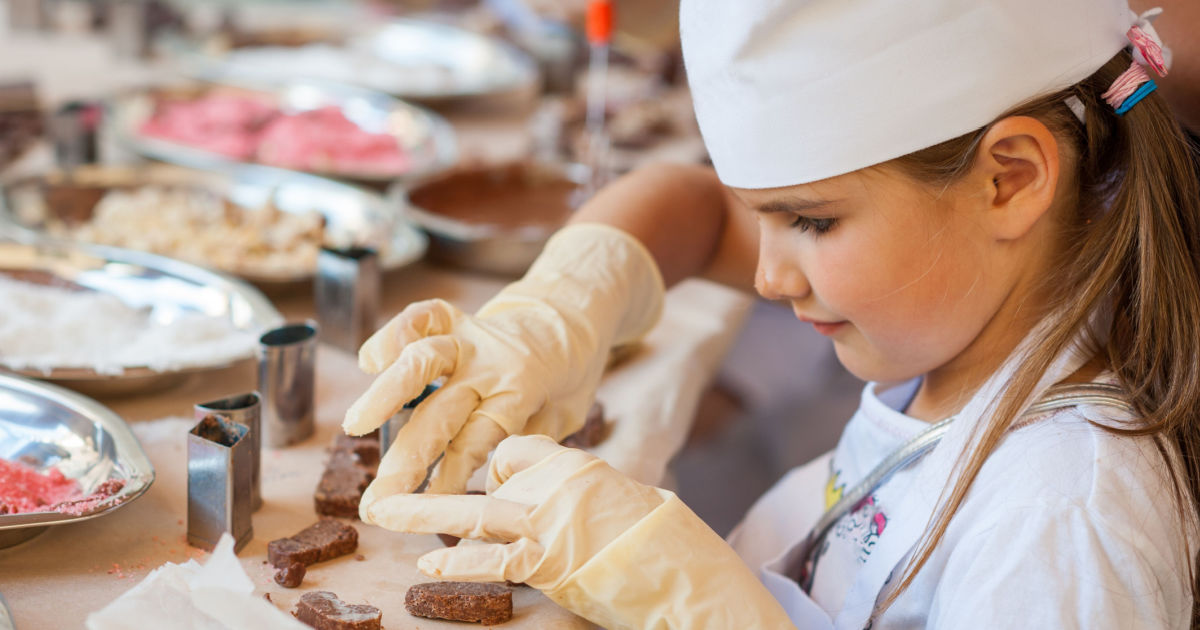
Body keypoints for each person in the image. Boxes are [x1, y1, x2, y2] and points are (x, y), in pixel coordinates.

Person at [342, 0, 1200, 627]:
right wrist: (563, 299)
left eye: (811, 222)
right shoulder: (990, 310)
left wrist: (714, 611)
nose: (765, 276)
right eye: (763, 215)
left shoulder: (1063, 525)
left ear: (1008, 178)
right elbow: (694, 207)